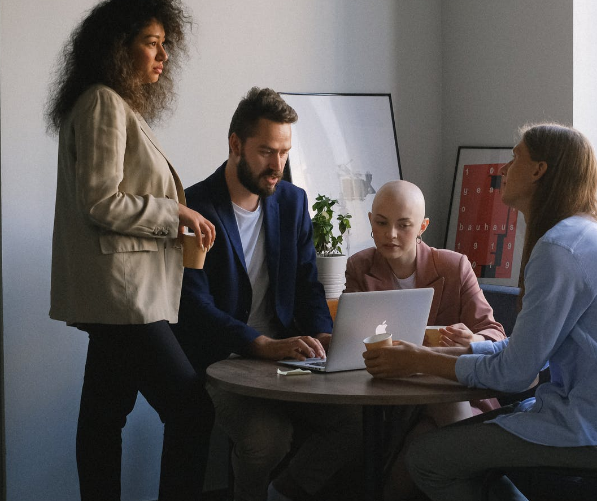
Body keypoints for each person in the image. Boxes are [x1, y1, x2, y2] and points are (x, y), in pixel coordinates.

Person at [363, 124, 597, 501]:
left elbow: (518, 374)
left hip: (594, 430)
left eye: (515, 157)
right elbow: (522, 353)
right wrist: (454, 352)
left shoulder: (559, 250)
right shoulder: (585, 234)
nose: (504, 169)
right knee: (435, 444)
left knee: (424, 458)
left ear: (539, 170)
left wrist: (419, 360)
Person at [46, 1, 216, 500]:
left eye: (166, 44)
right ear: (118, 47)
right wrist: (176, 214)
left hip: (119, 297)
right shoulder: (103, 103)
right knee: (191, 408)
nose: (163, 56)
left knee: (103, 417)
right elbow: (101, 201)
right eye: (151, 43)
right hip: (124, 298)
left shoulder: (111, 103)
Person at [171, 87, 362, 501]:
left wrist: (325, 336)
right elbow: (192, 306)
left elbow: (309, 287)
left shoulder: (292, 202)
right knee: (266, 439)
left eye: (284, 152)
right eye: (266, 151)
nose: (277, 165)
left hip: (286, 356)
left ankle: (281, 494)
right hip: (224, 358)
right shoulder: (194, 205)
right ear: (235, 145)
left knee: (352, 421)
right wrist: (260, 344)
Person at [345, 180, 506, 499]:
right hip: (394, 401)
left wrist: (472, 337)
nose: (391, 234)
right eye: (381, 223)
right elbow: (351, 339)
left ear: (422, 226)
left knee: (423, 439)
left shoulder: (454, 266)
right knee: (421, 438)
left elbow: (495, 334)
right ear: (370, 221)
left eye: (403, 225)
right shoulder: (360, 267)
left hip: (454, 397)